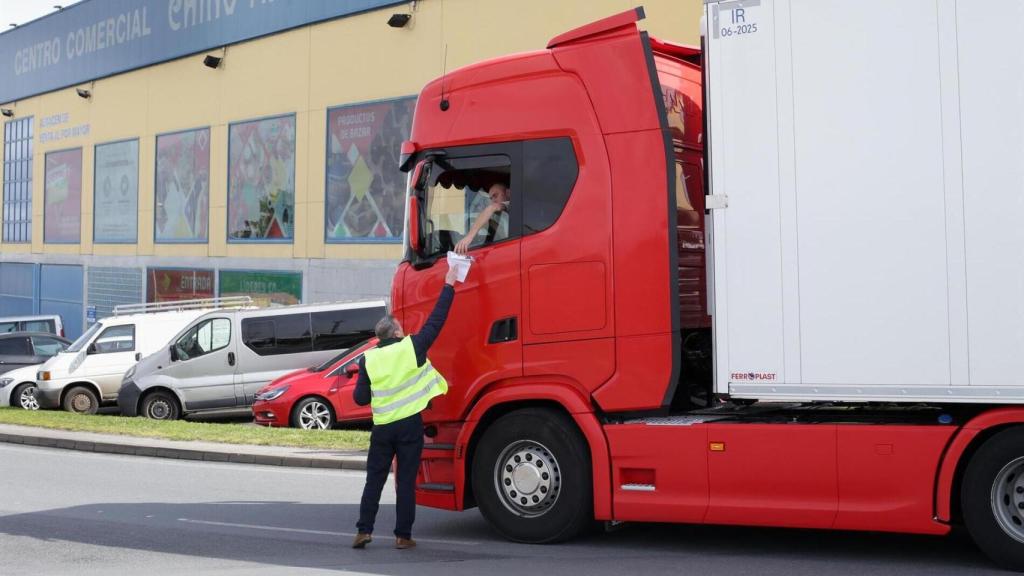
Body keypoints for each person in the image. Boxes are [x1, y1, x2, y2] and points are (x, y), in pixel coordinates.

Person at [351, 263, 460, 550]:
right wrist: (449, 284)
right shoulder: (411, 347)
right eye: (401, 326)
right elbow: (437, 320)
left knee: (374, 480)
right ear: (397, 332)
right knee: (406, 481)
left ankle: (363, 531)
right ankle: (402, 536)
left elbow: (360, 399)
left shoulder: (368, 359)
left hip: (382, 429)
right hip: (410, 426)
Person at [453, 182, 510, 255]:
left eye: (495, 196)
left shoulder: (509, 204)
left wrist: (469, 237)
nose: (493, 201)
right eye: (491, 198)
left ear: (508, 192)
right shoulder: (503, 213)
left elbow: (492, 207)